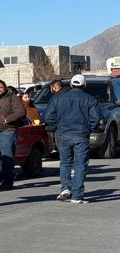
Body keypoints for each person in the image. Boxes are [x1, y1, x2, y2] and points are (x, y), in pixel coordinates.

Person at [44, 74, 104, 204]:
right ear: (85, 85)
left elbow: (48, 117)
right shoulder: (90, 99)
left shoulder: (58, 98)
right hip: (81, 134)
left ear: (70, 85)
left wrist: (57, 127)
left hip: (63, 133)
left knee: (65, 162)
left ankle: (65, 188)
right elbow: (95, 119)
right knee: (80, 164)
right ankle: (77, 195)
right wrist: (89, 129)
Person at [0, 80, 26, 191]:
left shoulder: (13, 98)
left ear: (5, 87)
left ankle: (7, 182)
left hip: (8, 131)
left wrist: (8, 119)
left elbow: (21, 112)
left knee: (7, 157)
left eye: (0, 87)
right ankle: (10, 173)